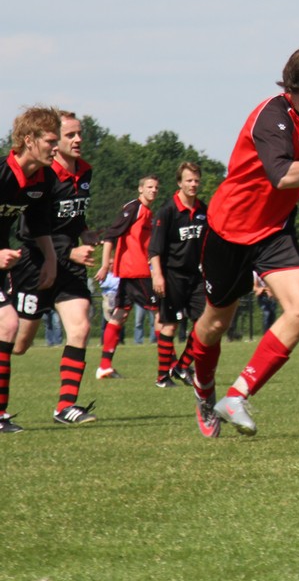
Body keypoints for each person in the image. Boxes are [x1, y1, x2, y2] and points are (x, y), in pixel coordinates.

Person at [187, 45, 299, 438]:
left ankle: (236, 396)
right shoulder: (272, 117)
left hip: (273, 231)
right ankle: (203, 387)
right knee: (216, 323)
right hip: (230, 231)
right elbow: (282, 175)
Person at [6, 107, 90, 430]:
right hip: (32, 264)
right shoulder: (28, 175)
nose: (76, 140)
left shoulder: (76, 174)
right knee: (18, 343)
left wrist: (81, 237)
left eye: (78, 134)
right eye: (68, 135)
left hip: (66, 266)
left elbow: (64, 220)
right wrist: (66, 251)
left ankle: (65, 406)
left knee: (80, 325)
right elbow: (29, 232)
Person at [148, 161, 209, 387]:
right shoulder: (168, 211)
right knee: (170, 325)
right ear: (179, 183)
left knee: (205, 322)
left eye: (196, 180)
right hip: (171, 274)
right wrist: (157, 276)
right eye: (188, 180)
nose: (193, 184)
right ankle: (162, 377)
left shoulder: (203, 210)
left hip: (195, 276)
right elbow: (154, 248)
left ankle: (182, 366)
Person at [95, 174, 161, 379]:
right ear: (140, 189)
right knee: (161, 313)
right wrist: (104, 265)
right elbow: (110, 235)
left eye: (156, 187)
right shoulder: (134, 208)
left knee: (120, 315)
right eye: (149, 187)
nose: (153, 190)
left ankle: (104, 366)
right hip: (136, 271)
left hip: (131, 272)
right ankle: (171, 364)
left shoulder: (148, 212)